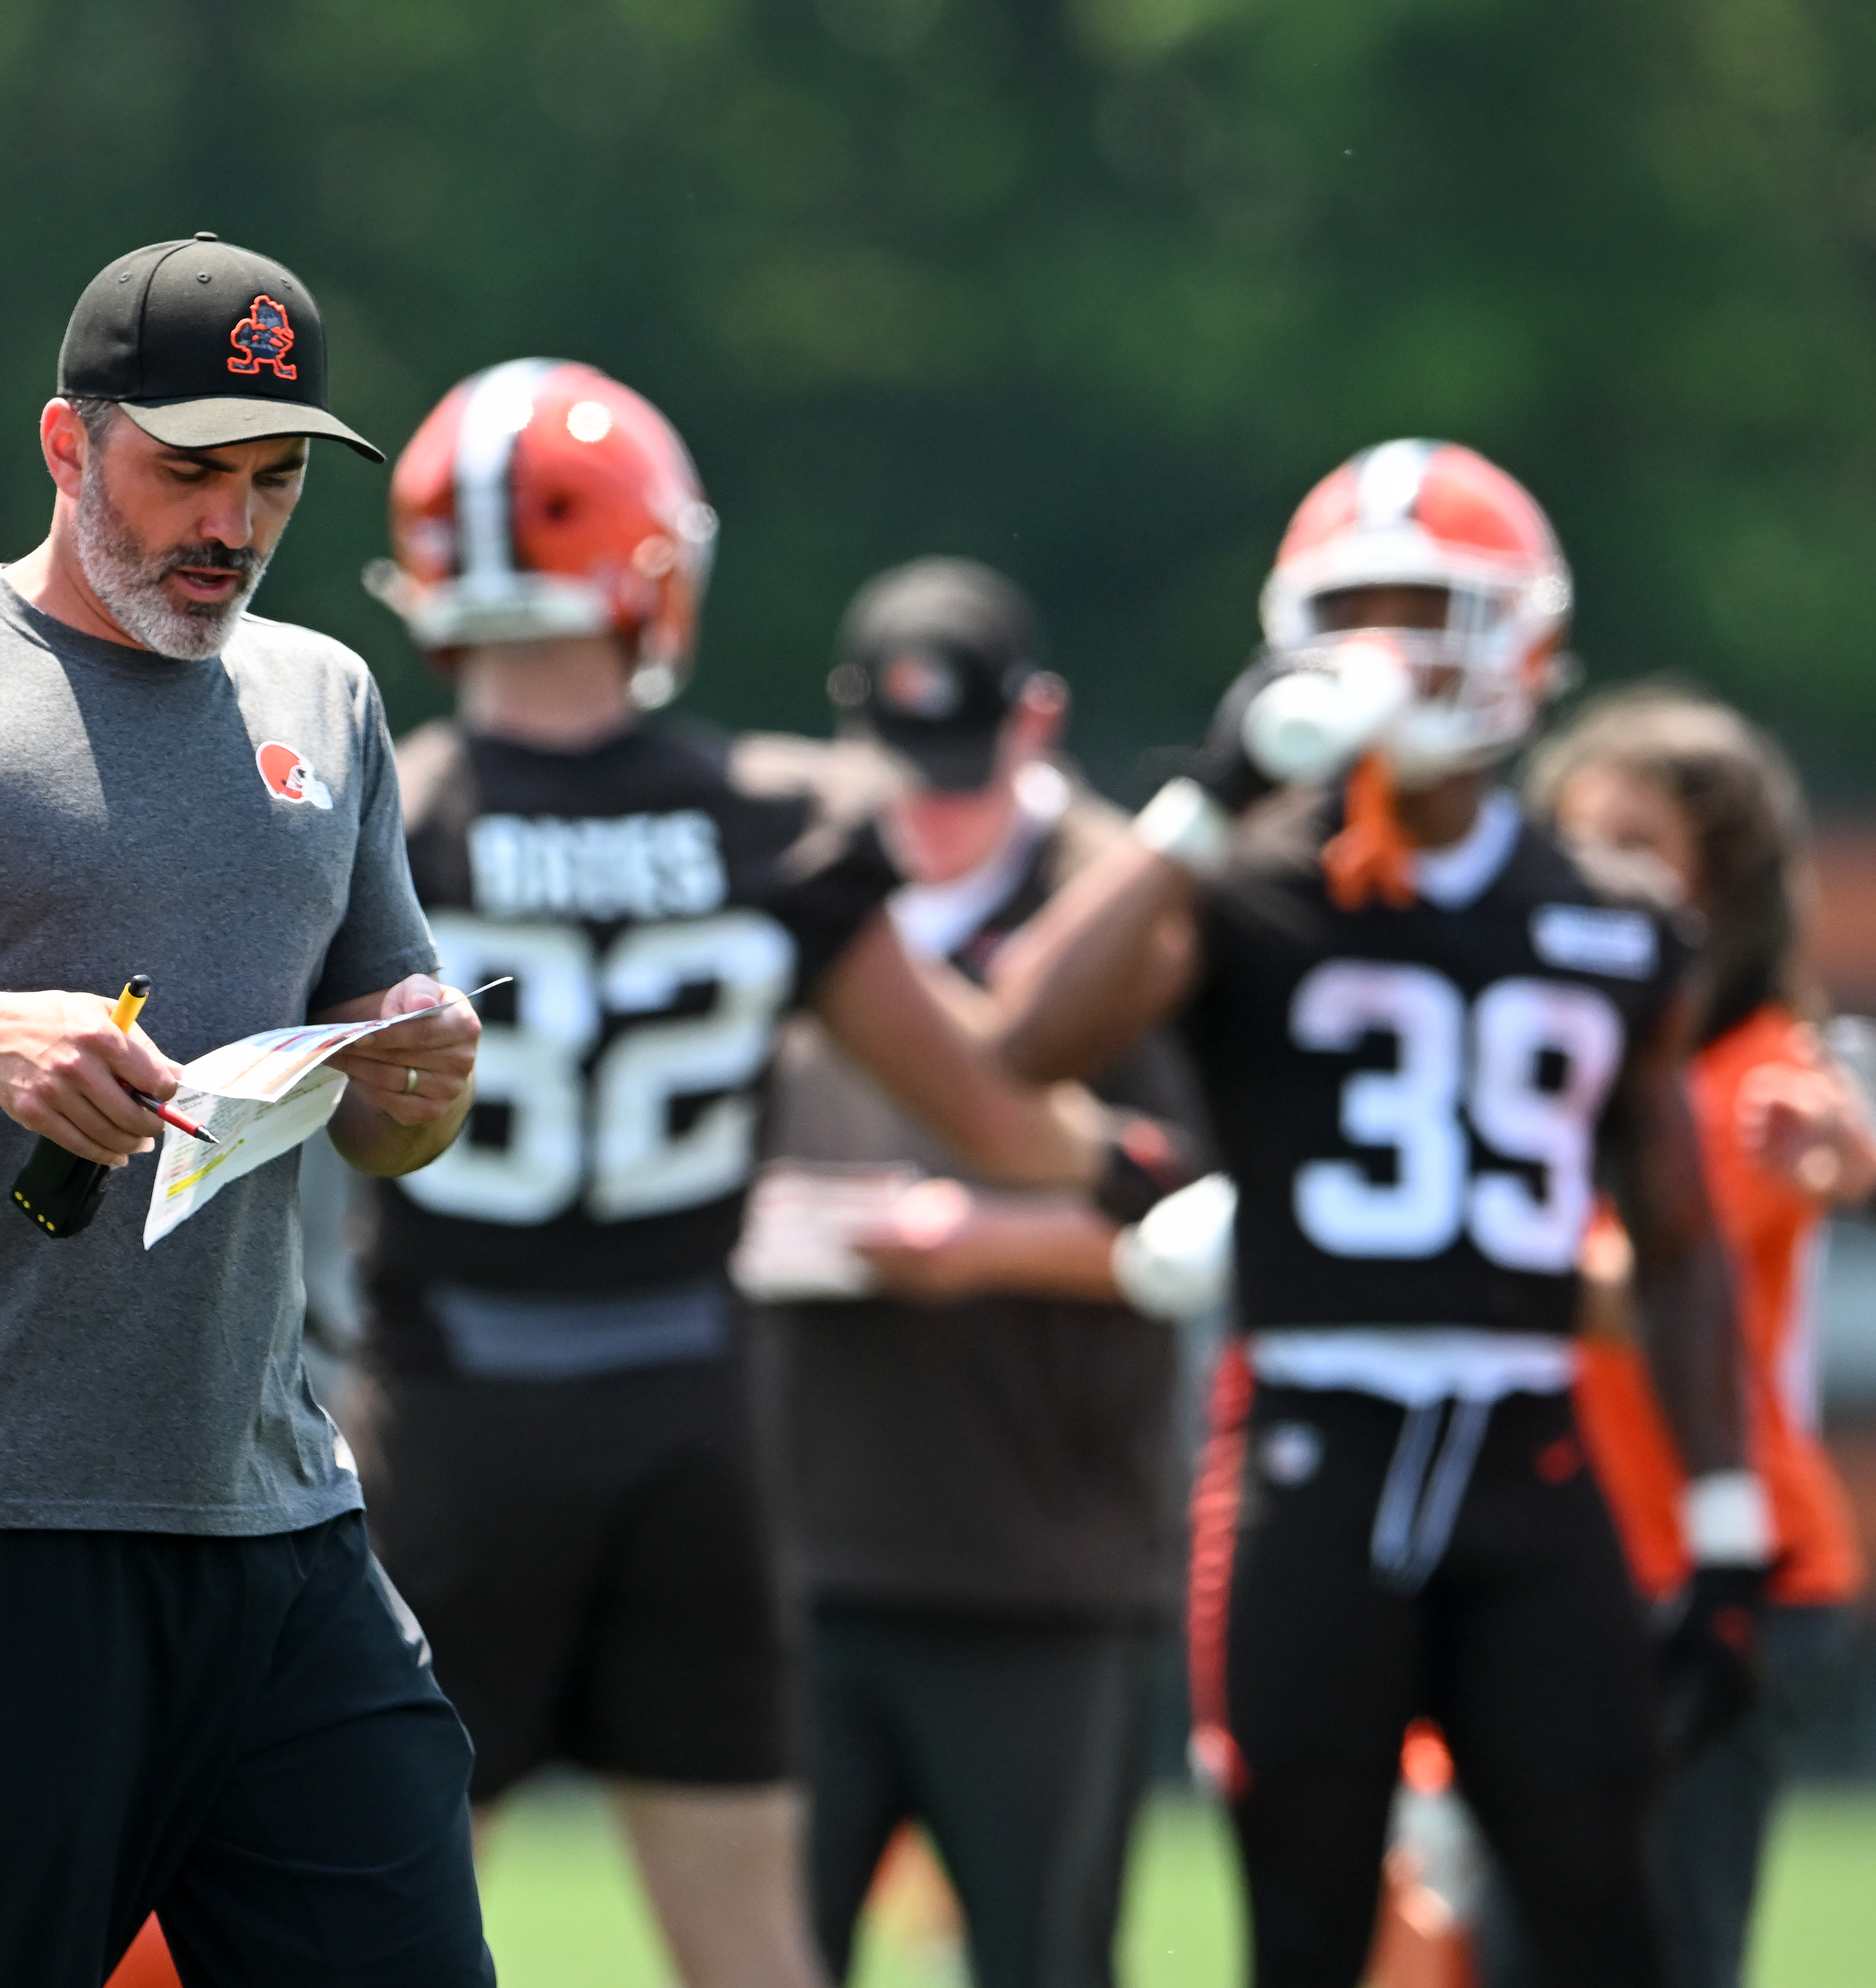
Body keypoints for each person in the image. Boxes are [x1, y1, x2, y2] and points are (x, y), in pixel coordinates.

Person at [0, 237, 493, 1987]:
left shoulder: (330, 697)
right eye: (190, 468)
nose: (232, 522)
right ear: (68, 445)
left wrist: (420, 1074)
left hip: (284, 1519)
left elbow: (390, 1120)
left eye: (276, 478)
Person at [351, 361, 1149, 1988]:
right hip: (690, 1422)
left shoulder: (376, 807)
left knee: (386, 1926)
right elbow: (993, 1104)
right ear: (650, 568)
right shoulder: (775, 817)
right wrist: (1128, 1165)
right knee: (752, 1949)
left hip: (448, 1423)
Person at [988, 439, 1760, 1988]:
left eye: (1436, 609)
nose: (1399, 651)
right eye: (1364, 611)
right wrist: (1206, 799)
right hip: (1308, 1447)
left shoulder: (1612, 918)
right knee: (1308, 1915)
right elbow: (1022, 1039)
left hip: (1532, 1451)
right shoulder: (1245, 882)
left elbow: (1674, 1233)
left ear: (1524, 637)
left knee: (1607, 1905)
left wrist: (1726, 1515)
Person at [747, 559, 1199, 1988]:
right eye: (899, 766)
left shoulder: (1119, 915)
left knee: (1042, 1957)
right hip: (797, 1545)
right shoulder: (798, 878)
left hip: (1040, 1557)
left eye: (961, 766)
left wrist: (979, 1241)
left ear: (1037, 723)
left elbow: (1195, 1208)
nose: (930, 808)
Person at [1517, 688, 1868, 1988]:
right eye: (1572, 839)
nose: (1593, 875)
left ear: (1717, 885)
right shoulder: (1551, 1062)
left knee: (1667, 1950)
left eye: (1634, 843)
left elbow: (1656, 1270)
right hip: (1559, 1563)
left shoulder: (1753, 1075)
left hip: (1721, 1575)